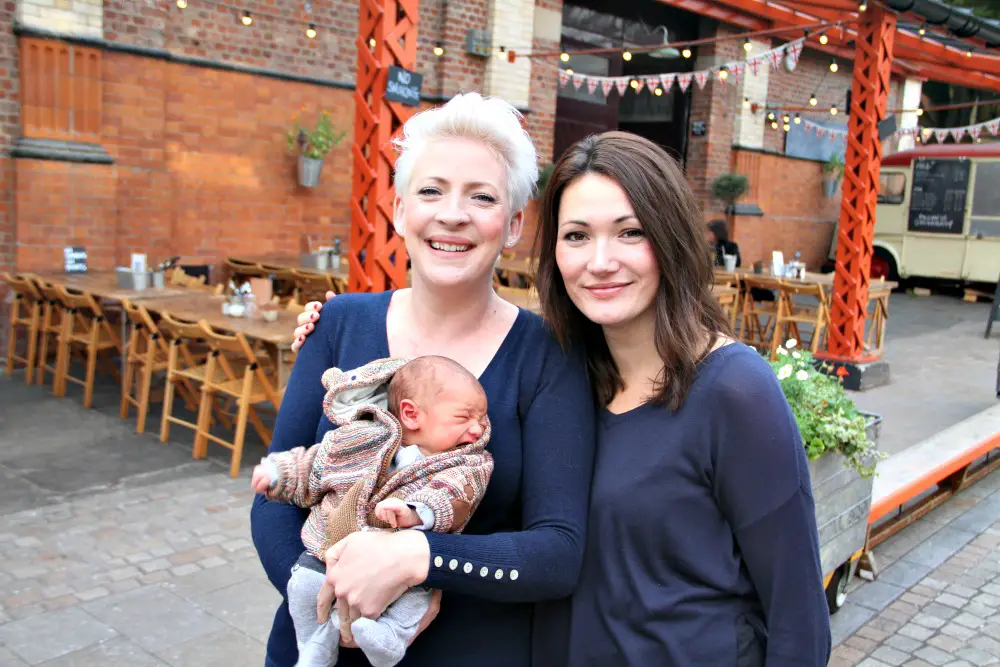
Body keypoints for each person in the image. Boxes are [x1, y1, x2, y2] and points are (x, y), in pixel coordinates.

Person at [294, 131, 831, 665]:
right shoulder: (567, 372)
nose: (599, 261)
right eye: (577, 236)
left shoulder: (734, 389)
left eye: (630, 232)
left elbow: (797, 616)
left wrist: (419, 556)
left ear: (672, 239)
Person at [251, 92, 596, 667]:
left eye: (481, 197)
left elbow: (557, 552)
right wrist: (333, 605)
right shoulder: (338, 323)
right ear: (398, 208)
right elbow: (275, 496)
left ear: (512, 225)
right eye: (432, 190)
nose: (453, 214)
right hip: (316, 644)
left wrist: (423, 558)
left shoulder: (550, 355)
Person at [252, 356, 494, 667]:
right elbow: (315, 464)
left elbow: (456, 495)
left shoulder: (468, 463)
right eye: (464, 418)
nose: (477, 428)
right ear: (411, 414)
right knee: (302, 586)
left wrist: (416, 512)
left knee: (415, 600)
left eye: (482, 418)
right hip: (327, 550)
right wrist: (277, 473)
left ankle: (388, 640)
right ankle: (314, 646)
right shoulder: (360, 439)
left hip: (401, 571)